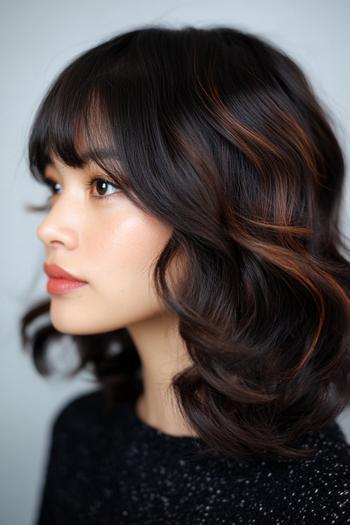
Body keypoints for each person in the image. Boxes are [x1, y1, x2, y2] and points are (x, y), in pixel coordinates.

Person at [20, 24, 350, 524]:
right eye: (54, 185)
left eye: (103, 184)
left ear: (231, 200)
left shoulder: (316, 493)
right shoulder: (82, 431)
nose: (50, 228)